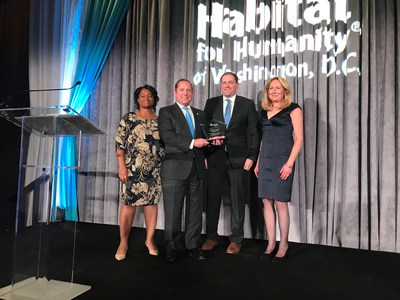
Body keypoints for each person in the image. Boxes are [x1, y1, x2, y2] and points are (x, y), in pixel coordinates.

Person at [202, 72, 260, 255]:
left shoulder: (247, 104)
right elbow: (204, 130)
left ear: (237, 85)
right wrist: (204, 153)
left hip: (238, 159)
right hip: (214, 157)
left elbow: (253, 132)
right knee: (212, 198)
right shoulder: (211, 103)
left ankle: (236, 239)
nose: (227, 85)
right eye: (224, 82)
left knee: (237, 199)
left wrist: (251, 156)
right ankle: (211, 237)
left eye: (230, 82)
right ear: (221, 85)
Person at [158, 79, 210, 262]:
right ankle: (171, 247)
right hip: (174, 169)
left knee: (195, 211)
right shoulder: (166, 112)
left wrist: (213, 142)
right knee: (173, 211)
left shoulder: (200, 114)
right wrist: (191, 143)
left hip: (197, 169)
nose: (186, 93)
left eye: (189, 90)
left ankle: (192, 245)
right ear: (175, 92)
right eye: (182, 90)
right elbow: (167, 136)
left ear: (193, 93)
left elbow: (205, 140)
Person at [254, 76, 303, 263]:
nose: (274, 91)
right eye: (271, 88)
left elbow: (298, 139)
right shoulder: (264, 111)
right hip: (265, 159)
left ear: (285, 91)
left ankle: (283, 244)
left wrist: (289, 164)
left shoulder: (294, 109)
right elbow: (263, 139)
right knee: (266, 201)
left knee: (280, 203)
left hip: (283, 160)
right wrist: (258, 161)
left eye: (278, 88)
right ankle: (271, 244)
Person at [114, 84, 164, 261]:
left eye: (150, 96)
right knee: (128, 205)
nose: (146, 98)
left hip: (154, 170)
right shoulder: (128, 118)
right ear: (137, 99)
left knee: (151, 204)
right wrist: (122, 165)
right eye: (142, 96)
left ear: (155, 99)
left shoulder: (160, 120)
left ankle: (149, 240)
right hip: (132, 168)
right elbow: (119, 143)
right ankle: (123, 242)